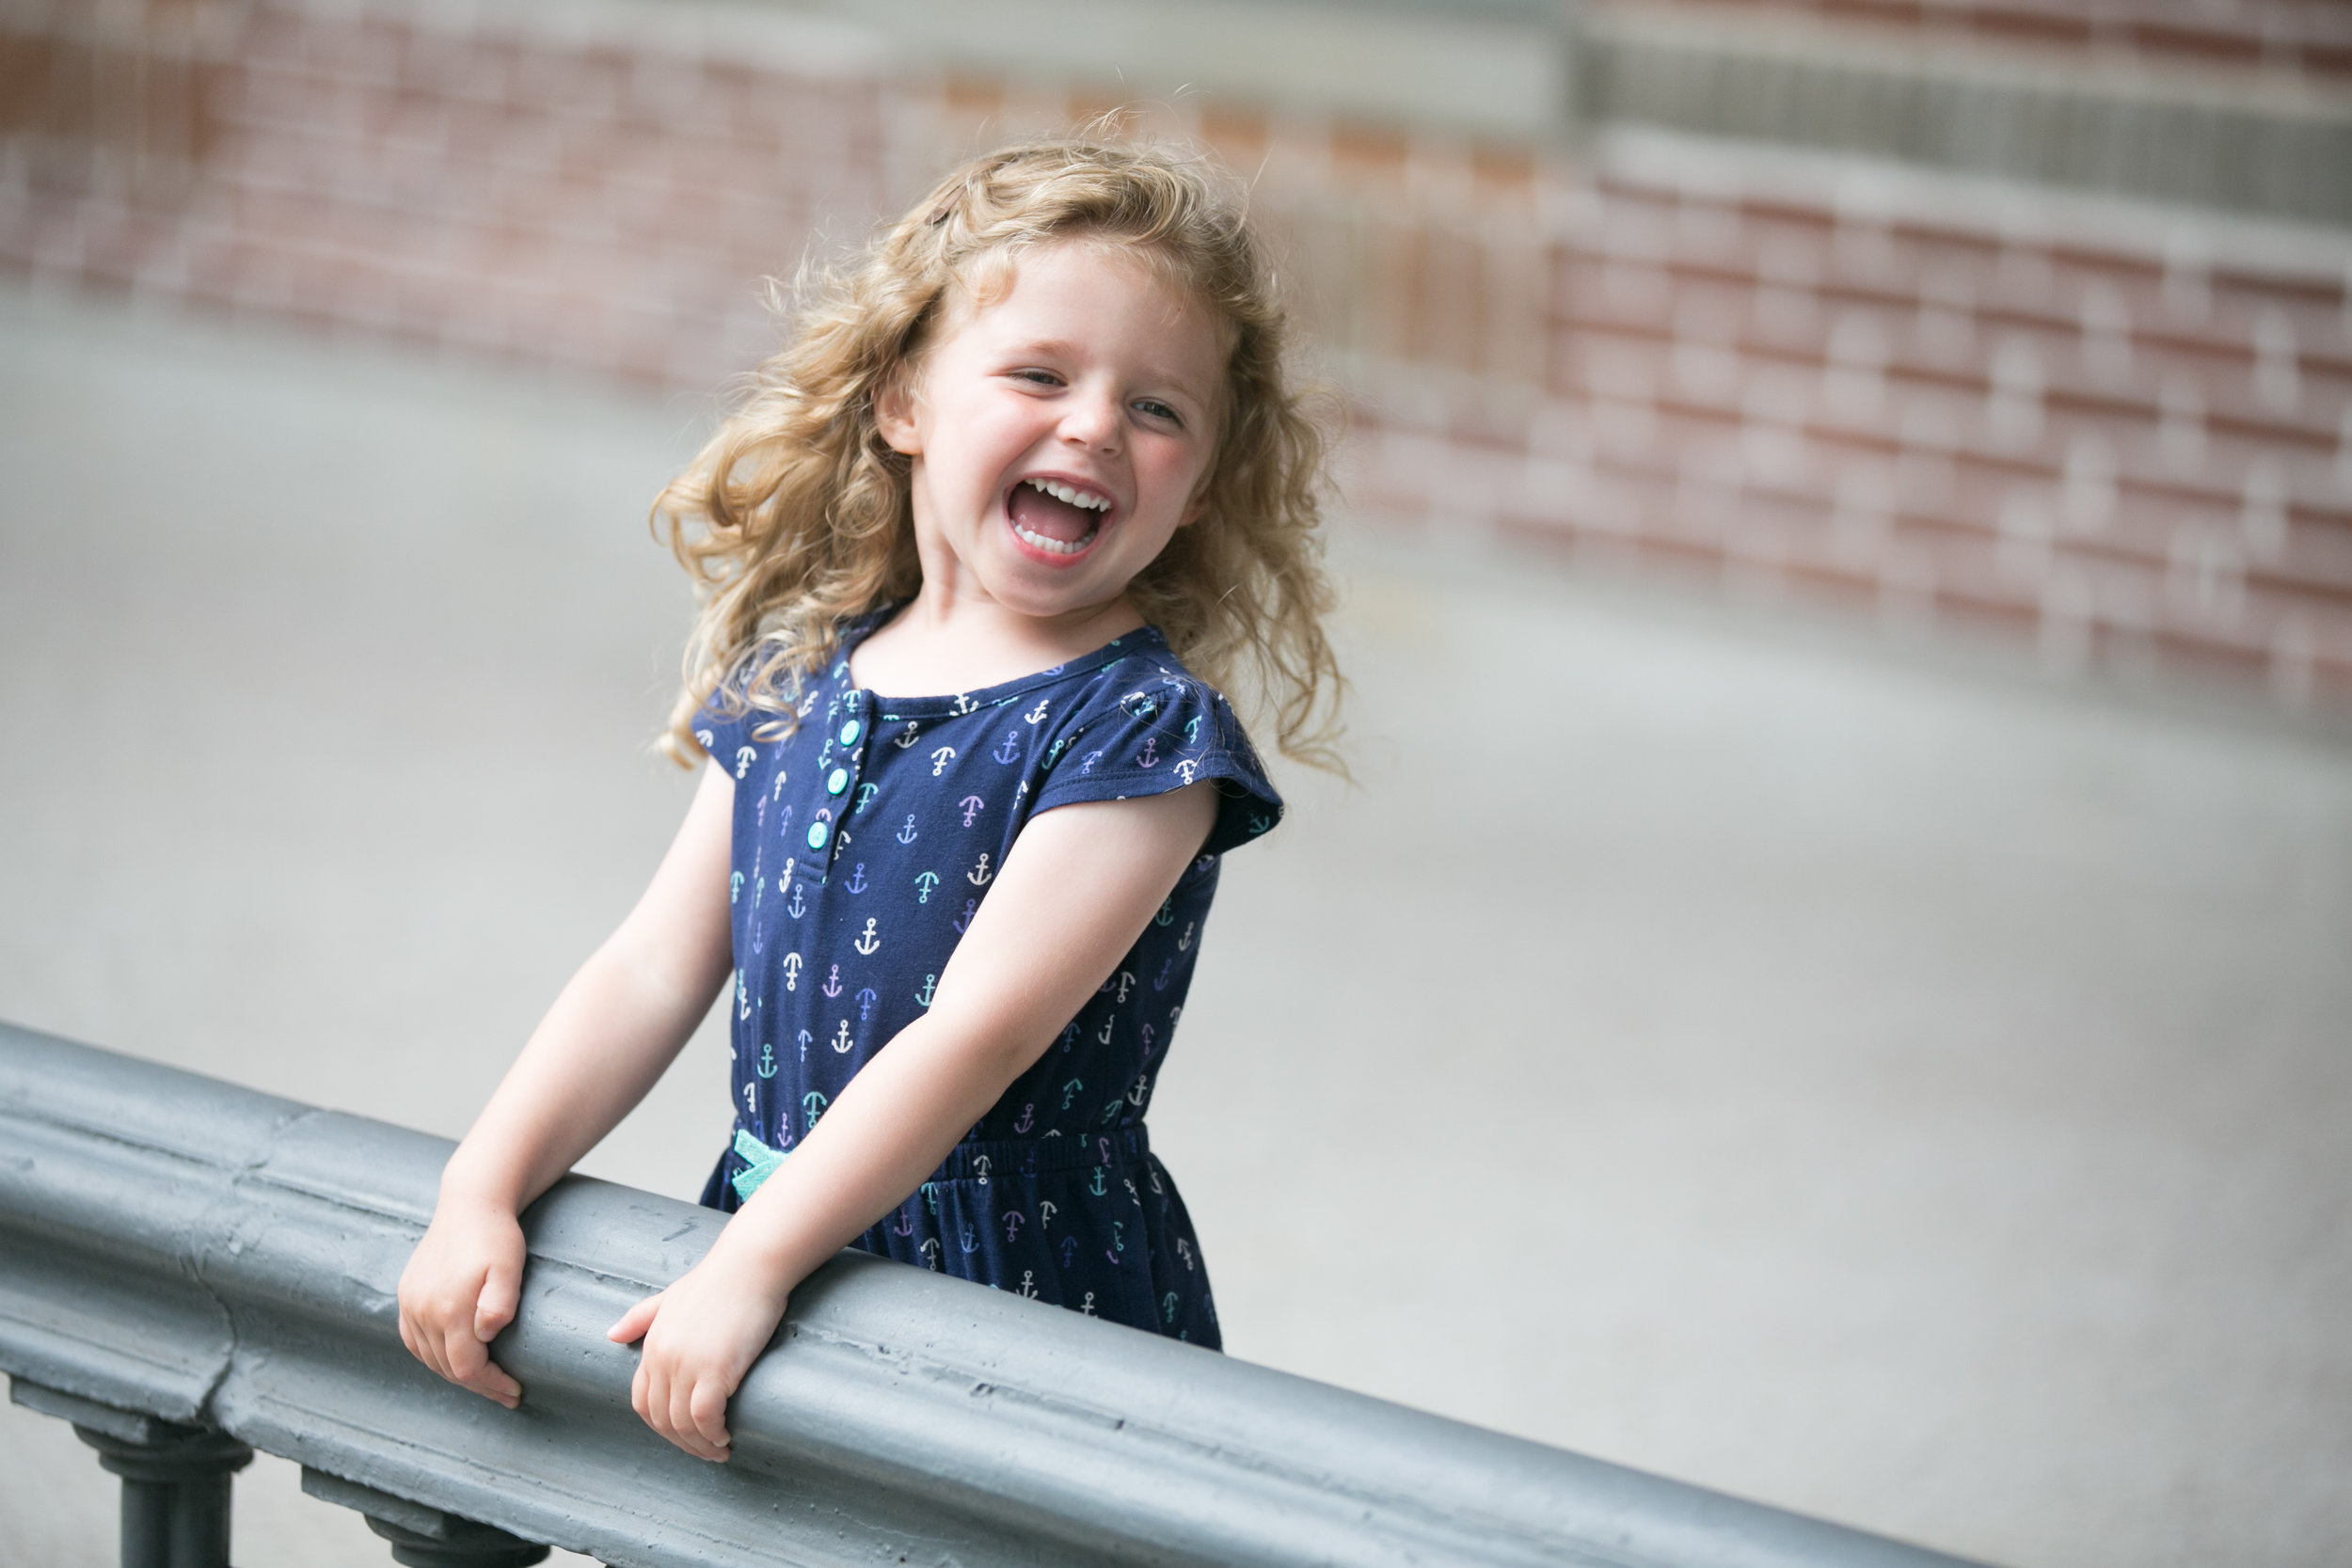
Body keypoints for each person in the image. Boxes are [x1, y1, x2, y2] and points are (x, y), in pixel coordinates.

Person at [396, 137, 1342, 1463]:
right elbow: (653, 965)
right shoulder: (799, 673)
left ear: (1199, 487)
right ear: (903, 401)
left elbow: (978, 1036)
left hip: (1013, 1287)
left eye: (1158, 409)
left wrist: (753, 1265)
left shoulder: (1140, 734)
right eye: (1039, 373)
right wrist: (482, 1186)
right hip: (775, 1223)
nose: (1093, 426)